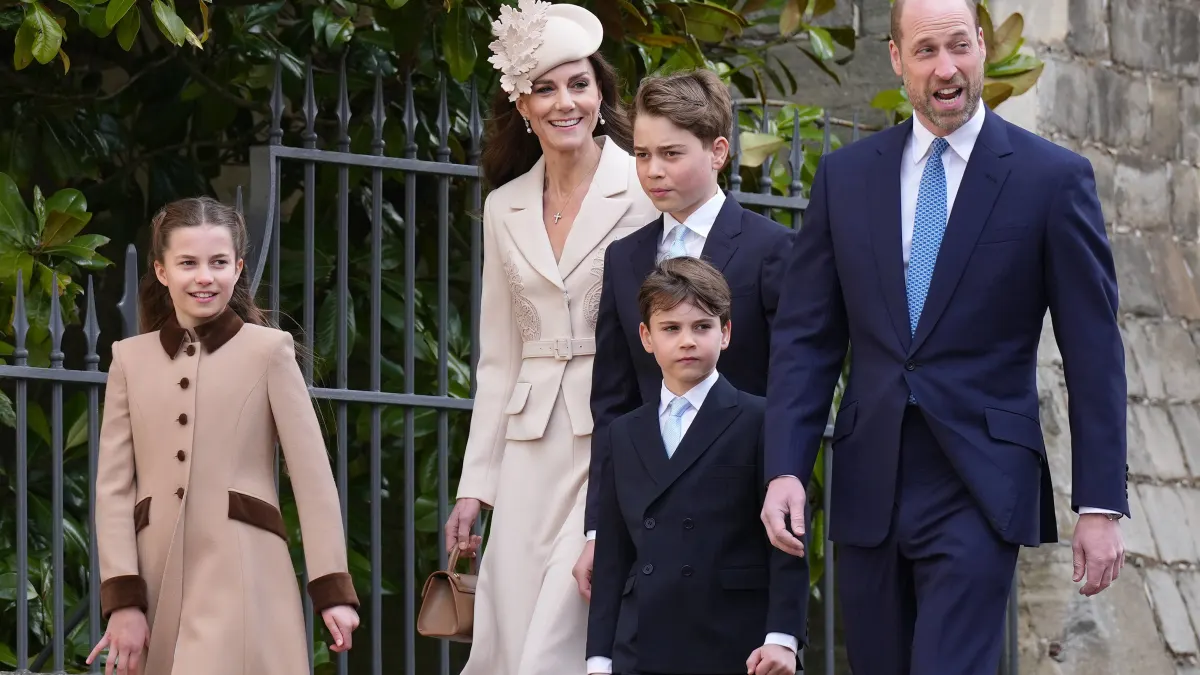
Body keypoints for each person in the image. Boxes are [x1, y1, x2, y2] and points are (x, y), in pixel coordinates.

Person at [759, 0, 1129, 672]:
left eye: (959, 45)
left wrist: (1100, 503)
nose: (947, 67)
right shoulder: (846, 178)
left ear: (983, 47)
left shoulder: (1052, 179)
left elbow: (1094, 349)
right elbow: (808, 338)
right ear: (898, 61)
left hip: (979, 484)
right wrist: (786, 463)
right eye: (926, 51)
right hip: (870, 481)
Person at [441, 1, 658, 672]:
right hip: (527, 451)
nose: (566, 102)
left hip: (612, 439)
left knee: (563, 633)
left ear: (601, 94)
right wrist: (474, 486)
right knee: (506, 639)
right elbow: (498, 360)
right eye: (546, 87)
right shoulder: (502, 208)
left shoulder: (644, 189)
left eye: (579, 84)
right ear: (522, 105)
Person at [88, 197, 359, 675]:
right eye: (187, 263)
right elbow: (112, 490)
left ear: (238, 269)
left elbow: (312, 478)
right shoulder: (129, 359)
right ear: (162, 270)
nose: (204, 277)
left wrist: (332, 590)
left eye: (218, 263)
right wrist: (123, 600)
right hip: (154, 576)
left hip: (243, 570)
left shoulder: (269, 350)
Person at [574, 68, 795, 597]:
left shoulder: (773, 249)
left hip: (740, 502)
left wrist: (781, 480)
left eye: (670, 154)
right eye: (642, 154)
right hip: (646, 507)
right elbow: (613, 403)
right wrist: (598, 527)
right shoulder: (624, 259)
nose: (652, 170)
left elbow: (792, 383)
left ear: (718, 152)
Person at [586, 257, 806, 675]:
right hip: (642, 642)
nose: (687, 340)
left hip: (737, 642)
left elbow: (787, 539)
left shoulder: (763, 419)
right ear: (646, 338)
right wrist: (599, 657)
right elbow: (613, 555)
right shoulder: (622, 432)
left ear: (725, 333)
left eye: (702, 326)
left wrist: (783, 637)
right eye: (671, 328)